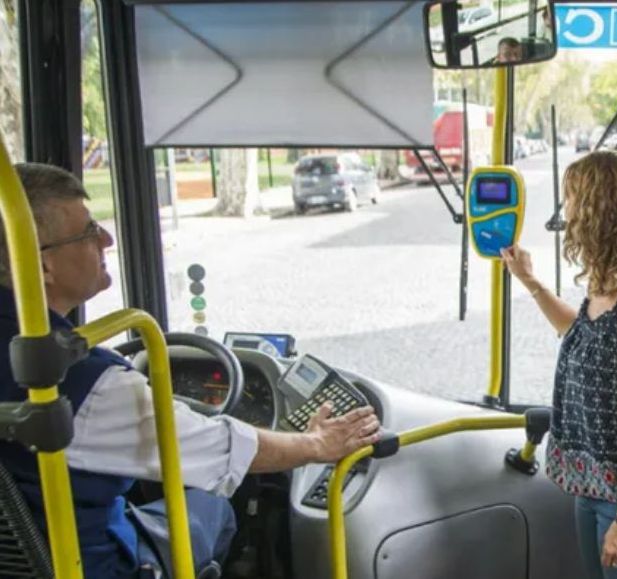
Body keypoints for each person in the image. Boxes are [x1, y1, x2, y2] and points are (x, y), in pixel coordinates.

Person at [0, 163, 381, 578]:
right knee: (213, 505)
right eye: (89, 231)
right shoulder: (83, 385)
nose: (107, 238)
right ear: (42, 267)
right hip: (96, 564)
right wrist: (316, 444)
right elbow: (223, 450)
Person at [500, 151, 617, 579]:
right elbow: (581, 331)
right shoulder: (609, 284)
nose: (567, 214)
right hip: (595, 488)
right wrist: (531, 283)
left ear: (603, 212)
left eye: (573, 200)